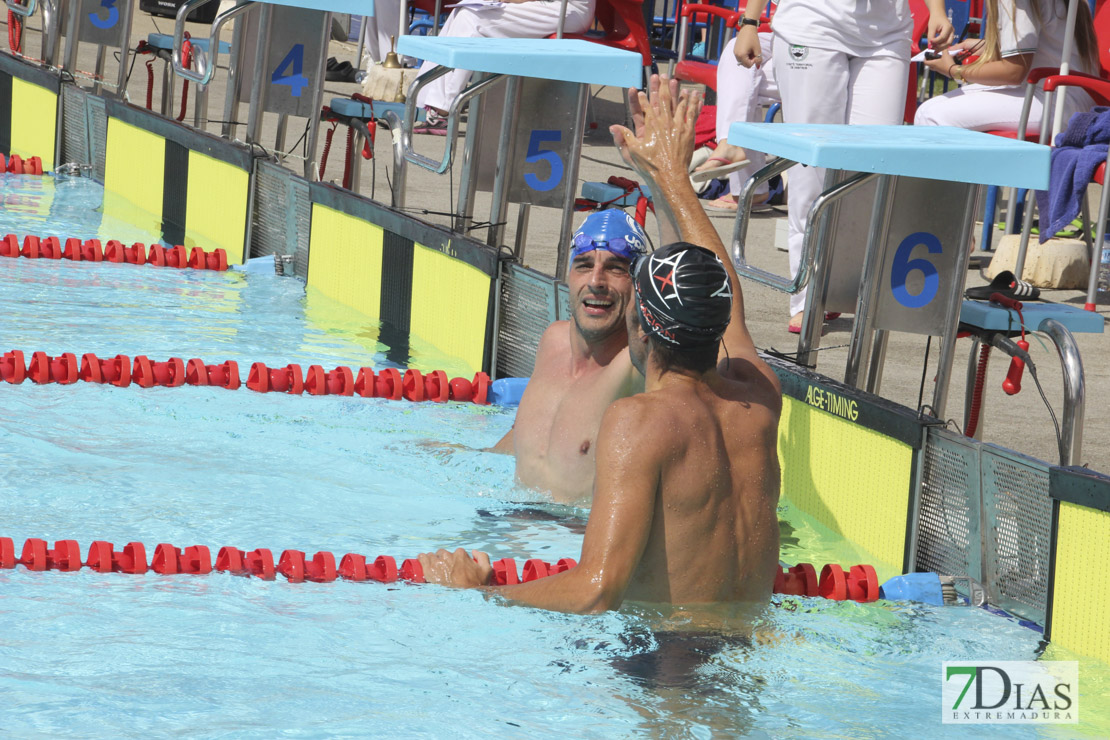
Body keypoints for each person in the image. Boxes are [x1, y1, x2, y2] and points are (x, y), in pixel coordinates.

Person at [418, 76, 784, 614]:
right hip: (747, 656)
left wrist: (480, 594)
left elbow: (595, 591)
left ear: (639, 325)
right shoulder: (757, 398)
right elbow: (729, 301)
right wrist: (674, 182)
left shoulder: (637, 420)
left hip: (663, 665)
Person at [733, 0, 954, 333]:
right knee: (812, 168)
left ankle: (851, 289)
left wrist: (937, 10)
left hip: (886, 29)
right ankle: (807, 293)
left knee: (872, 167)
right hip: (811, 21)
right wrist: (750, 20)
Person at [489, 209, 648, 505]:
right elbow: (534, 437)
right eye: (584, 265)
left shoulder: (634, 366)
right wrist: (467, 454)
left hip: (567, 544)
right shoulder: (554, 341)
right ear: (569, 276)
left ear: (639, 284)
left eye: (616, 268)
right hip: (509, 524)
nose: (596, 281)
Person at [915, 0, 1098, 135]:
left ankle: (962, 186)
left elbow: (1013, 71)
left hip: (1058, 102)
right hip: (1062, 94)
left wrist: (954, 71)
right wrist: (986, 46)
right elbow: (1044, 48)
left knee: (932, 117)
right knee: (926, 110)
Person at [413, 0, 596, 134]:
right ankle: (426, 104)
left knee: (470, 18)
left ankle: (443, 110)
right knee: (463, 10)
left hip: (568, 8)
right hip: (550, 4)